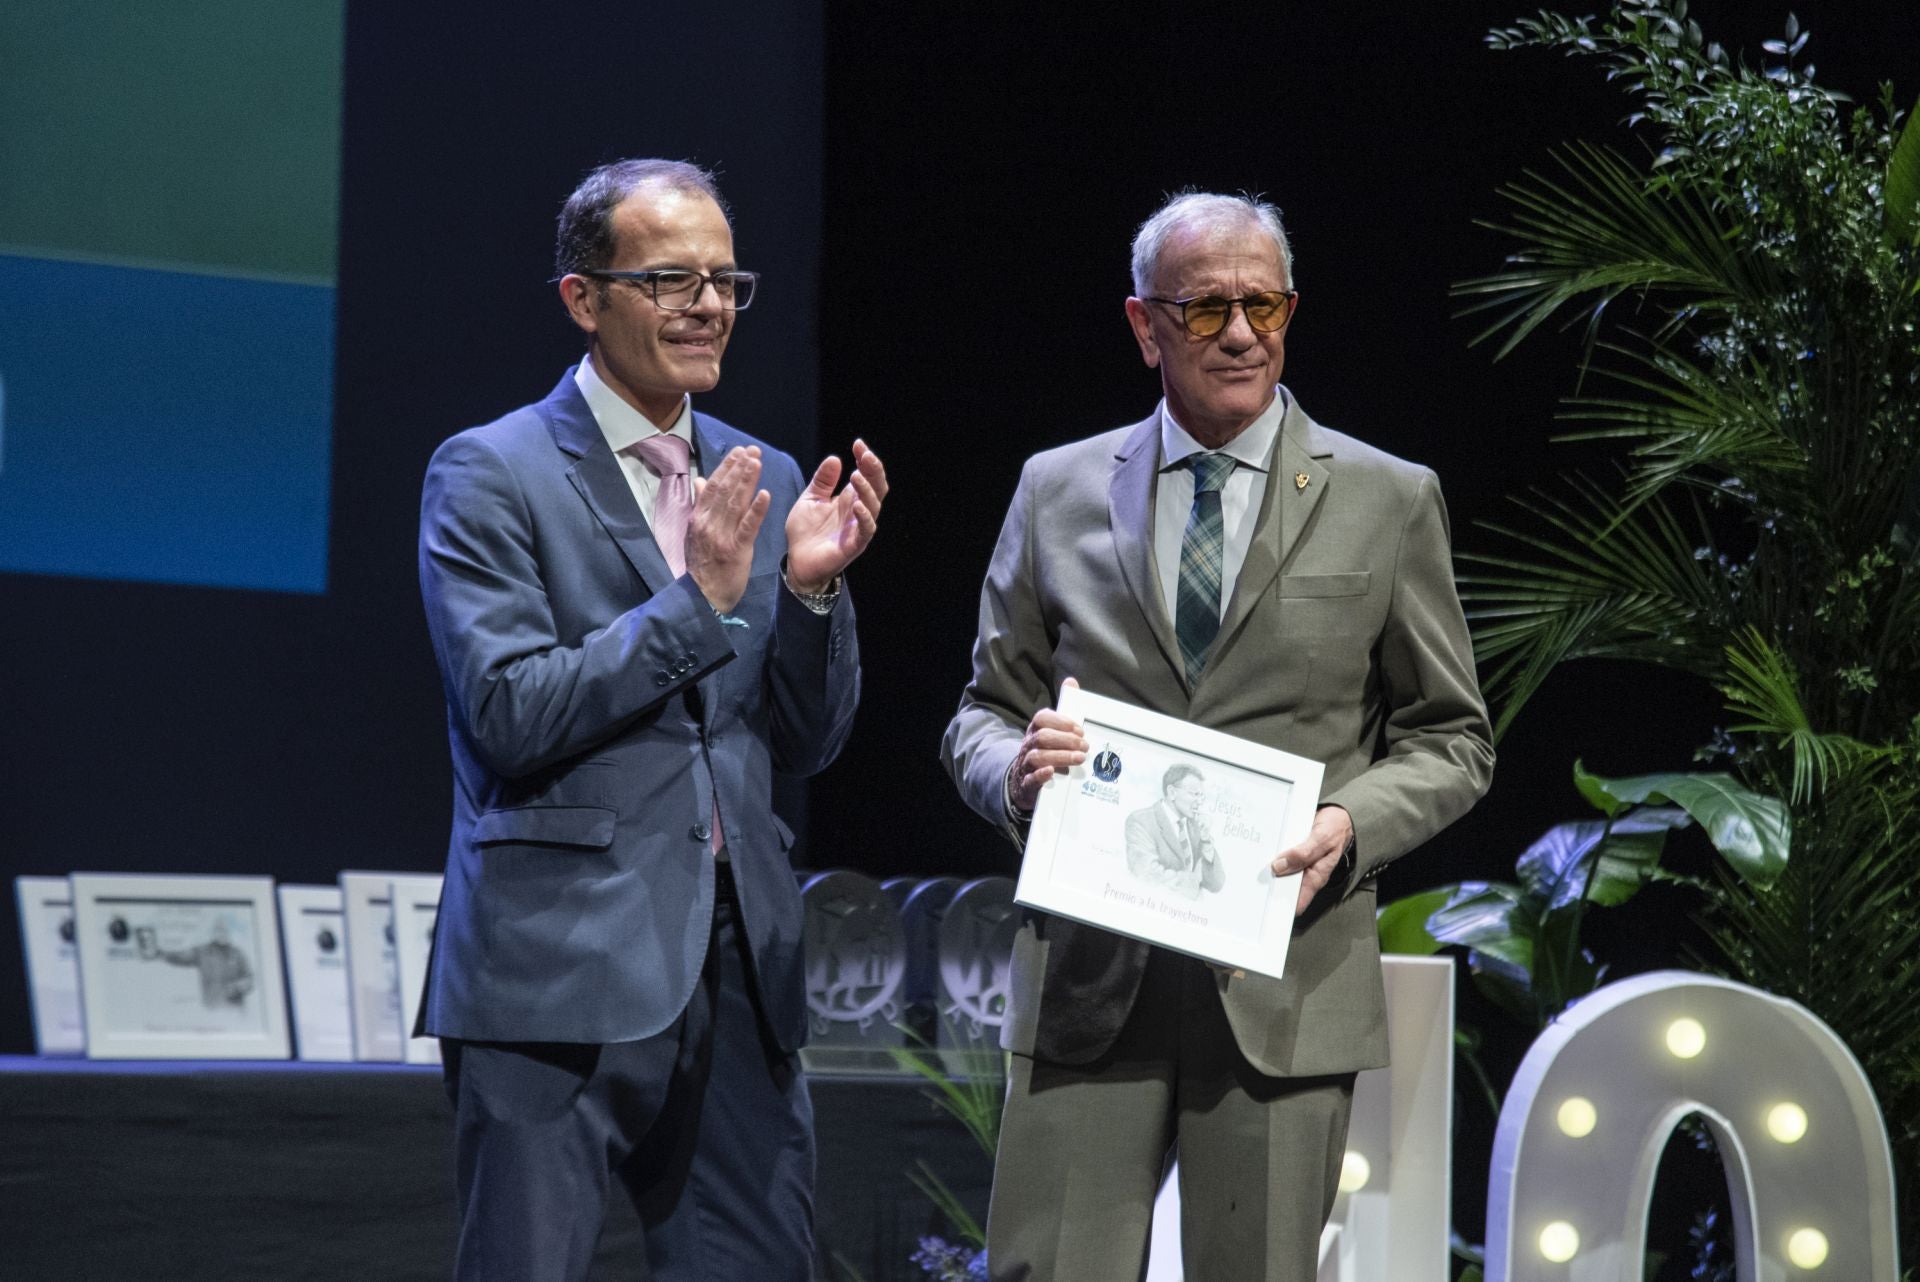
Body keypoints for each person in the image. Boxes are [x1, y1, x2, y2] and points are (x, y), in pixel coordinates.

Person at [941, 190, 1493, 1281]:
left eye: (1263, 304)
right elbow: (982, 712)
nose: (1241, 333)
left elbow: (1453, 737)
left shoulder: (1389, 496)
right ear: (1145, 325)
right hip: (1092, 981)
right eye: (1205, 310)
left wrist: (1349, 820)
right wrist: (1013, 772)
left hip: (1286, 980)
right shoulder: (1056, 489)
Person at [417, 158, 887, 1282]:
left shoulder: (761, 472)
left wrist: (814, 594)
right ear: (585, 297)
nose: (710, 304)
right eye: (672, 278)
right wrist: (699, 602)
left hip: (738, 973)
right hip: (555, 970)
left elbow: (806, 743)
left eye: (726, 280)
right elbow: (508, 712)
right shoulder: (490, 471)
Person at [1123, 763, 1223, 897]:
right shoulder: (1141, 821)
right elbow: (1146, 875)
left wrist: (1206, 841)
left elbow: (1216, 884)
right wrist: (1193, 881)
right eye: (1195, 794)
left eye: (1201, 796)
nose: (1199, 802)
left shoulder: (1195, 827)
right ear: (1172, 792)